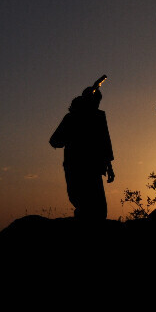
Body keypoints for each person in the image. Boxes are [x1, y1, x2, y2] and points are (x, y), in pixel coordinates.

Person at [49, 83, 115, 220]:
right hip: (80, 167)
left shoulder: (92, 117)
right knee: (87, 204)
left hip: (88, 167)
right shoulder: (76, 118)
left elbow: (105, 143)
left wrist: (109, 167)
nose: (97, 104)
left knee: (92, 205)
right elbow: (55, 140)